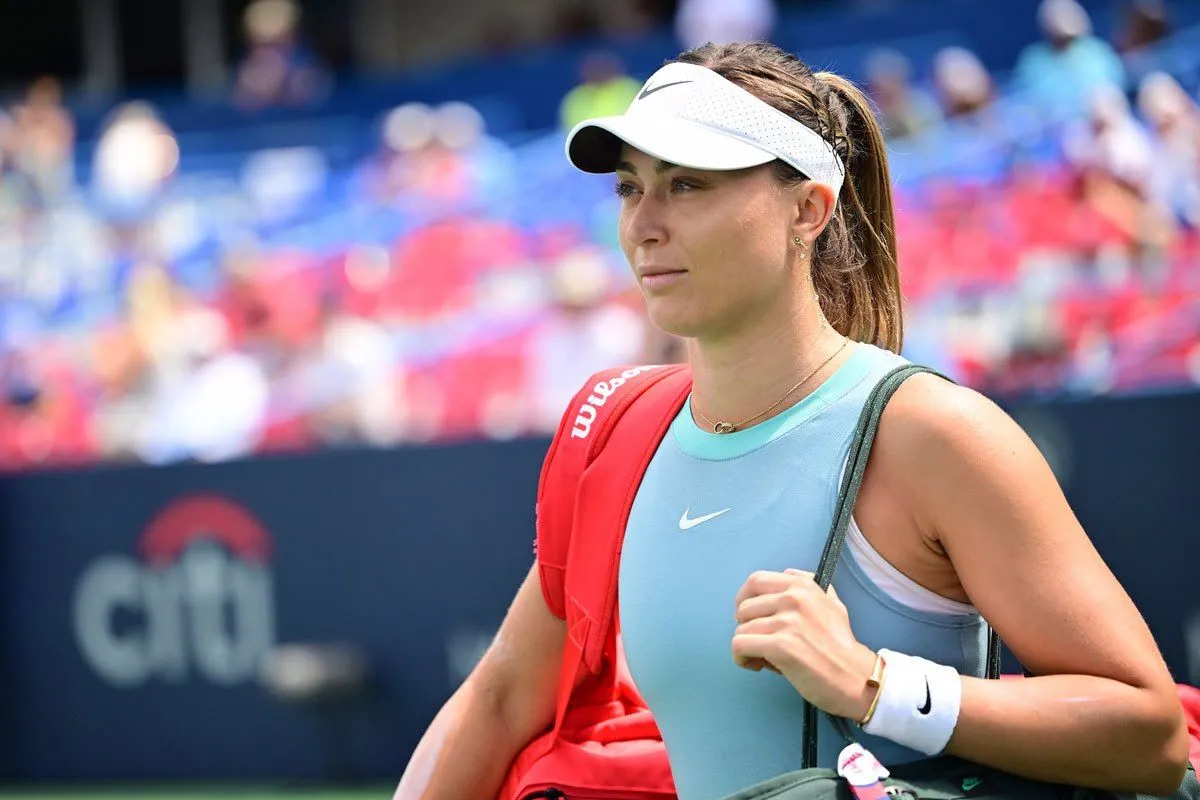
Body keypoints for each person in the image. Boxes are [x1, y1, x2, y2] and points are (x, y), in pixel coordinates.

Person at [393, 41, 1189, 799]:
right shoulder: (616, 433)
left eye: (689, 184)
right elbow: (501, 699)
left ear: (808, 210)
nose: (644, 223)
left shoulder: (932, 432)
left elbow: (1149, 736)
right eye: (631, 186)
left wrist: (876, 686)